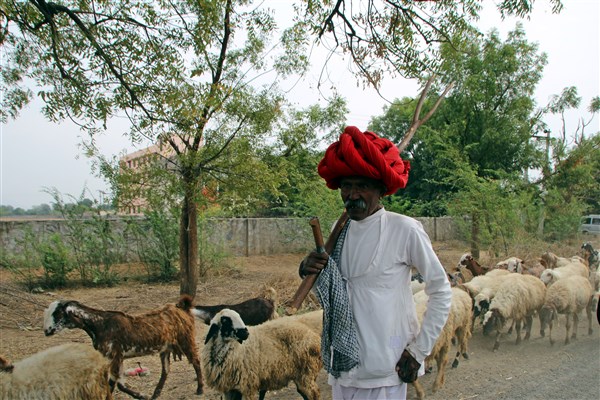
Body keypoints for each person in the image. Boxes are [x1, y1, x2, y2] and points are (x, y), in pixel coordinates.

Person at [299, 126, 452, 400]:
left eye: (362, 186)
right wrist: (308, 269)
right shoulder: (338, 230)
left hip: (387, 367)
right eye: (347, 186)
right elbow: (334, 292)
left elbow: (441, 290)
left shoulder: (405, 229)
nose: (352, 194)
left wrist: (419, 351)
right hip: (343, 366)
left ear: (381, 190)